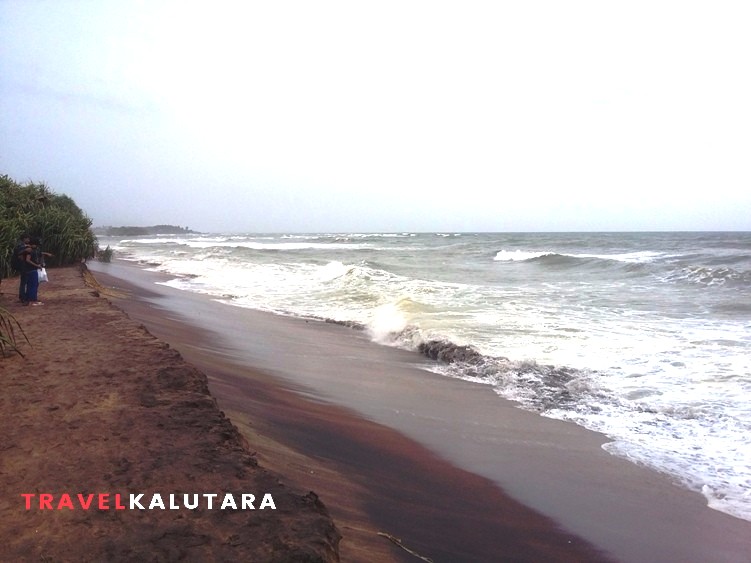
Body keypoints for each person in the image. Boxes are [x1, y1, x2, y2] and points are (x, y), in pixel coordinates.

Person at [20, 238, 44, 306]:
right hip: (31, 269)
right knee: (33, 285)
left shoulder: (28, 250)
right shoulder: (30, 250)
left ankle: (28, 299)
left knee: (30, 285)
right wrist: (37, 265)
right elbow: (28, 260)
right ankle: (32, 300)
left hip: (28, 270)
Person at [14, 233, 31, 302]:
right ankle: (22, 297)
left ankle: (22, 296)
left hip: (23, 265)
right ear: (24, 239)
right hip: (22, 265)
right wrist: (25, 250)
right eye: (28, 238)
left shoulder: (24, 246)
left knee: (23, 281)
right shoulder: (21, 246)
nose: (29, 240)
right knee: (24, 281)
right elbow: (18, 254)